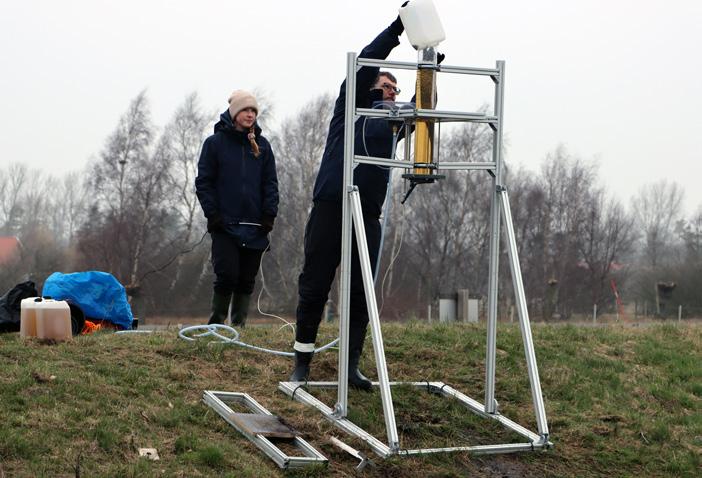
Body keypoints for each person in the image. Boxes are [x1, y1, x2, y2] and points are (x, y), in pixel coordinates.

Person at [289, 13, 410, 390]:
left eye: (396, 89)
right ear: (371, 86)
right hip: (332, 205)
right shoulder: (351, 106)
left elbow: (423, 114)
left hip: (368, 214)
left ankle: (351, 366)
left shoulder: (392, 123)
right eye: (386, 85)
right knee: (315, 286)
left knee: (361, 293)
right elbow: (367, 61)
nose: (392, 92)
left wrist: (429, 76)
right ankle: (301, 362)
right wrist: (396, 30)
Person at [195, 90, 278, 327]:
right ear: (234, 113)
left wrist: (269, 215)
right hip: (225, 224)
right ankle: (216, 325)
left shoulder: (263, 146)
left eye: (253, 111)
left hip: (255, 226)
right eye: (245, 110)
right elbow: (204, 182)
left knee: (246, 279)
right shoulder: (214, 144)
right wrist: (213, 214)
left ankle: (239, 326)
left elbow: (270, 183)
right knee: (226, 275)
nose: (250, 114)